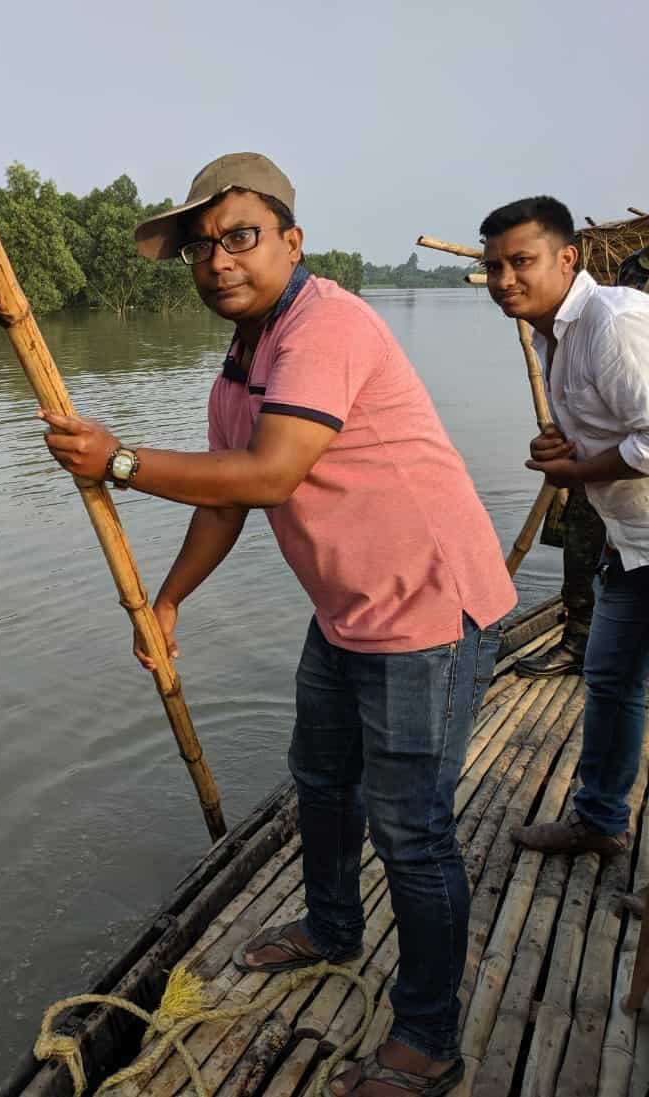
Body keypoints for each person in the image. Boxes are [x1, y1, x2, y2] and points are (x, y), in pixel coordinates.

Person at [41, 152, 516, 1096]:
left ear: (292, 241)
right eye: (201, 248)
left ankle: (428, 1035)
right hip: (348, 612)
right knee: (322, 786)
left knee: (412, 830)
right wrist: (168, 599)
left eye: (241, 236)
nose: (218, 261)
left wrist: (122, 461)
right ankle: (333, 927)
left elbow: (269, 475)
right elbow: (226, 504)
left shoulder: (326, 324)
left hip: (429, 610)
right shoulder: (242, 361)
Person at [480, 199, 649, 857]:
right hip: (631, 542)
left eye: (520, 262)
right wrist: (568, 455)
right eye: (494, 266)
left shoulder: (612, 325)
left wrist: (579, 466)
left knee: (612, 680)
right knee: (608, 680)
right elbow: (606, 433)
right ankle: (601, 820)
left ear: (567, 258)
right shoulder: (555, 333)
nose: (503, 280)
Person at [514, 486, 604, 678]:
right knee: (583, 554)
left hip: (626, 481)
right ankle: (579, 642)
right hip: (590, 482)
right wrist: (565, 481)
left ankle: (583, 644)